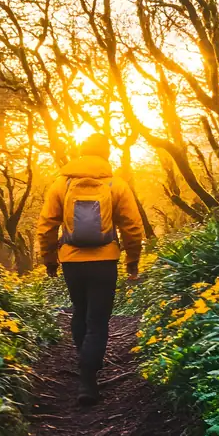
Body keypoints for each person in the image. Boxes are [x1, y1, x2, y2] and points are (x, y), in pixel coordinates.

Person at [37, 133, 144, 405]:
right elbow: (133, 226)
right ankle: (88, 378)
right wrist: (132, 260)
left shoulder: (61, 184)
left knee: (80, 311)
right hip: (105, 261)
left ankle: (84, 366)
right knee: (97, 320)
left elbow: (47, 224)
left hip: (72, 261)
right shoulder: (115, 184)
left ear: (80, 153)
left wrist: (50, 258)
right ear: (106, 155)